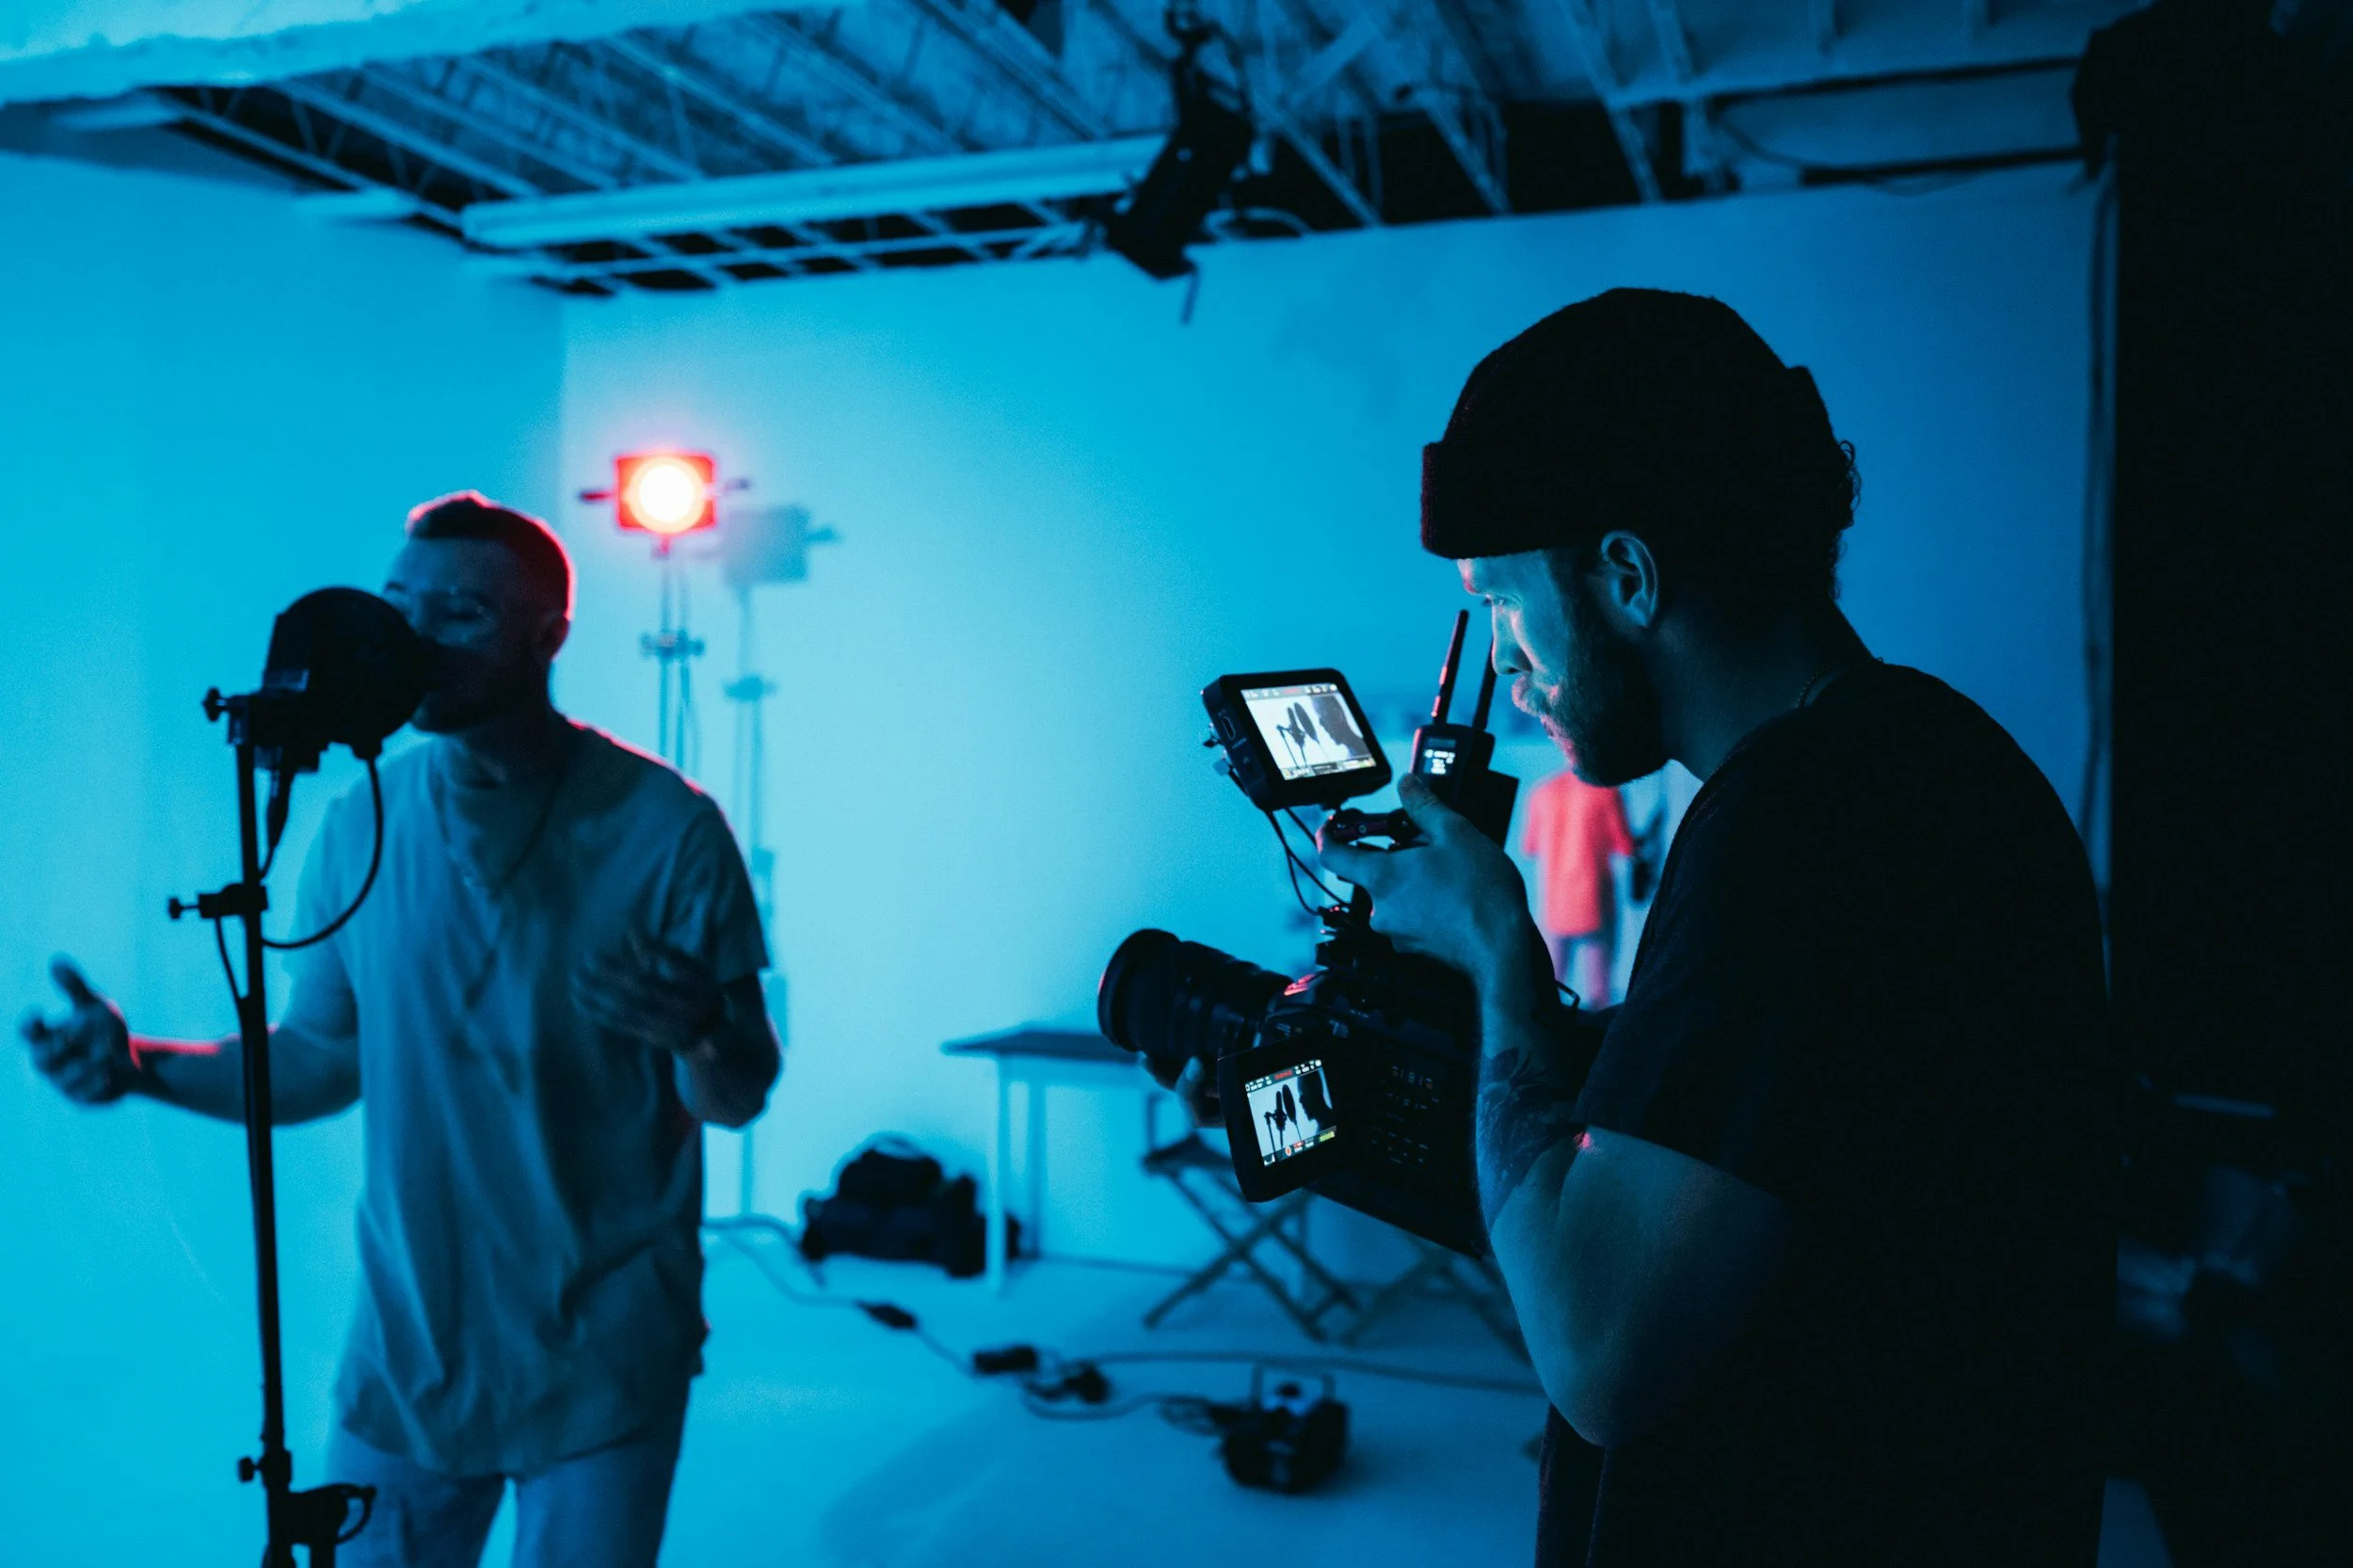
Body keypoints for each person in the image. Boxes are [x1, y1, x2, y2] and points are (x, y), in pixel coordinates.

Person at [1316, 291, 2113, 1566]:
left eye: (1506, 607)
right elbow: (1732, 1135)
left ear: (1626, 575)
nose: (1509, 671)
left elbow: (1599, 1355)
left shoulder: (1800, 829)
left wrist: (1500, 954)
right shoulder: (1913, 761)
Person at [19, 492, 780, 1568]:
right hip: (410, 1346)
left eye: (460, 616)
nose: (414, 643)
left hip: (605, 1349)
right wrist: (142, 1066)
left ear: (547, 635)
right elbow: (321, 1056)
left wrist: (703, 1026)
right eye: (396, 609)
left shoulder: (668, 828)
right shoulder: (358, 822)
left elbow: (737, 1091)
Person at [1520, 761, 1635, 1004]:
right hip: (1595, 903)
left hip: (1555, 906)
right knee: (1599, 991)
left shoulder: (1542, 792)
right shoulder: (1607, 792)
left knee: (1550, 987)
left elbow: (1529, 847)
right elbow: (1625, 846)